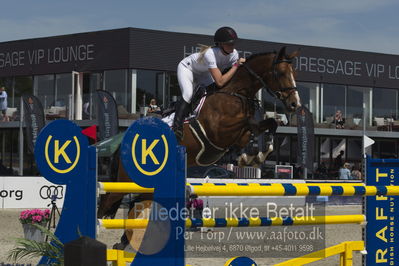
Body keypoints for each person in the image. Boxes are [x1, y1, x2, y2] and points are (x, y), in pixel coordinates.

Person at [172, 26, 246, 141]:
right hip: (187, 68)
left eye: (233, 43)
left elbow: (230, 77)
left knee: (214, 93)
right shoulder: (210, 53)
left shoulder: (234, 54)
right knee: (188, 94)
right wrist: (236, 65)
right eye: (229, 44)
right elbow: (220, 81)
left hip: (204, 73)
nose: (233, 46)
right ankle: (177, 128)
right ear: (221, 44)